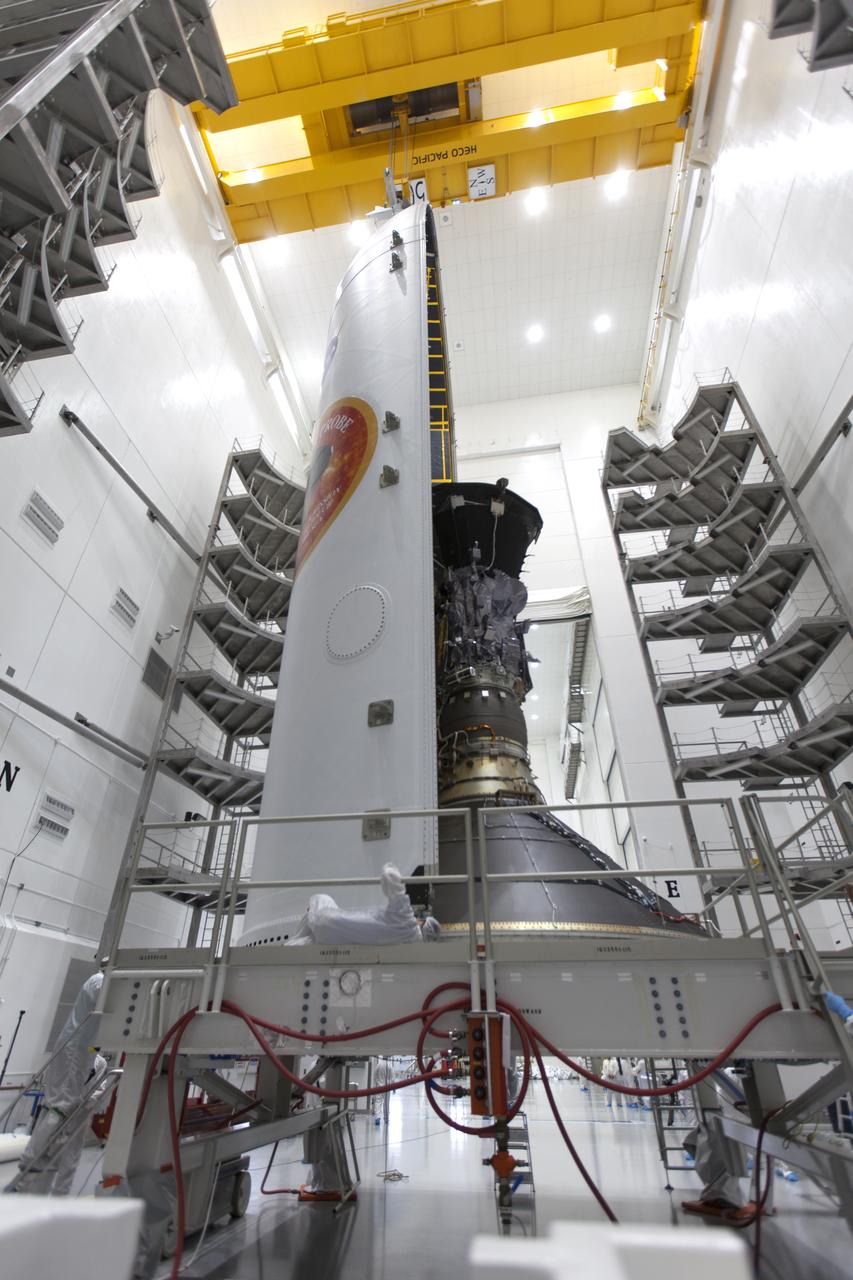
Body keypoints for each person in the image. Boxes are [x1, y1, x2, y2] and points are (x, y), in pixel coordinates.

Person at [6, 970, 107, 1195]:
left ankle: (49, 1189)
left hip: (83, 1050)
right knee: (60, 1107)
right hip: (77, 1049)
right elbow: (110, 1006)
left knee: (63, 1119)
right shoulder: (100, 982)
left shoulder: (96, 1057)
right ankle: (26, 1173)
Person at [286, 864, 441, 946]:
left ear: (422, 923)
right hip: (335, 938)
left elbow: (391, 880)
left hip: (329, 922)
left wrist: (390, 869)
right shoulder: (407, 941)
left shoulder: (406, 922)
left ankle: (303, 927)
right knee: (312, 940)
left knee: (321, 899)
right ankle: (291, 945)